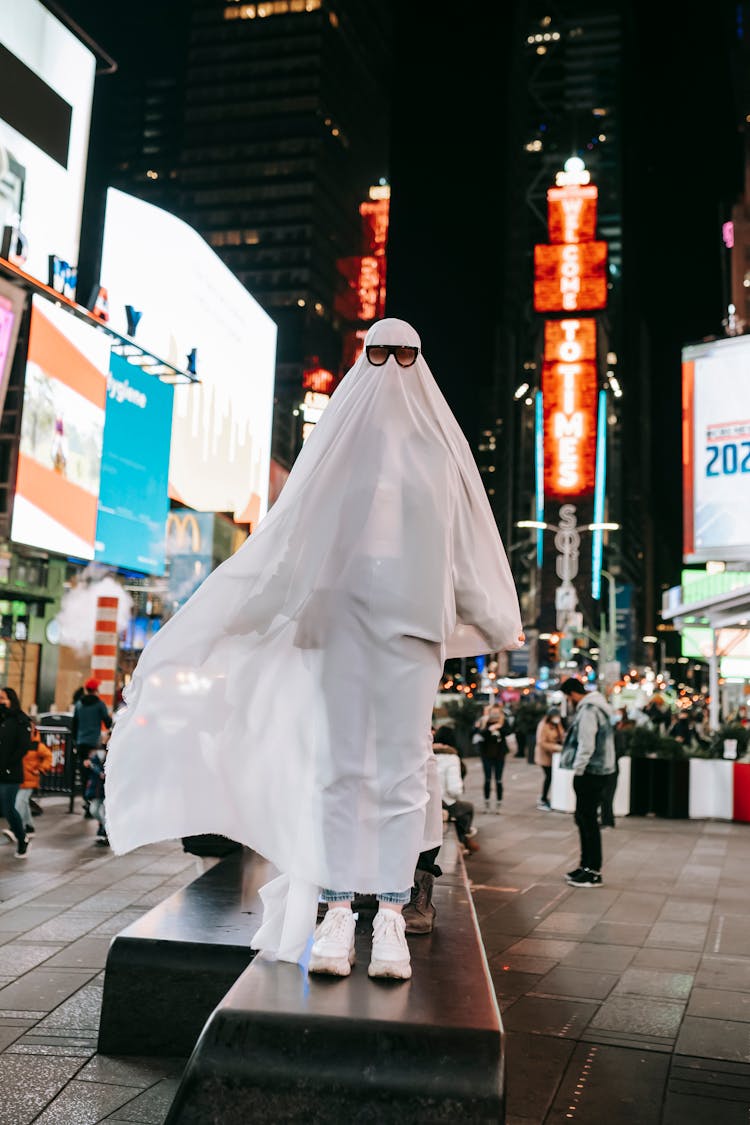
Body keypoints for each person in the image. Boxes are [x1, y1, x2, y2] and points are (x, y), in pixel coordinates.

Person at [104, 317, 523, 984]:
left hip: (413, 625)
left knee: (402, 764)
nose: (392, 367)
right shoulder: (335, 449)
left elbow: (469, 541)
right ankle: (334, 908)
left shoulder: (441, 452)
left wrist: (497, 617)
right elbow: (290, 540)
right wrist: (238, 617)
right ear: (363, 357)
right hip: (339, 622)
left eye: (406, 354)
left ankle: (389, 911)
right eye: (379, 352)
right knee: (339, 765)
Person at [558, 677, 615, 887]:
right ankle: (585, 866)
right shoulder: (600, 706)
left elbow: (586, 744)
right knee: (585, 820)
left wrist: (579, 770)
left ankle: (592, 871)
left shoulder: (589, 710)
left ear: (572, 694)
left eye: (567, 697)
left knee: (587, 821)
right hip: (601, 771)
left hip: (591, 772)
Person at [432, 728, 479, 856]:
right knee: (467, 808)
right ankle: (463, 841)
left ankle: (465, 839)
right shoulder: (451, 757)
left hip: (427, 799)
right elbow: (454, 790)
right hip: (443, 803)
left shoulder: (428, 753)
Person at [0, 687, 33, 859]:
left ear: (12, 699)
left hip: (10, 773)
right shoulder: (2, 718)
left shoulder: (20, 720)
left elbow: (23, 747)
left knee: (8, 808)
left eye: (3, 698)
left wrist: (7, 765)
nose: (1, 701)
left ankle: (22, 838)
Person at [72, 679, 112, 816]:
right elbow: (107, 722)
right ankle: (93, 803)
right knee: (94, 774)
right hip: (94, 745)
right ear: (95, 690)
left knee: (84, 774)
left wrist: (75, 742)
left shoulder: (78, 704)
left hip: (81, 743)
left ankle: (86, 802)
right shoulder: (100, 704)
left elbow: (74, 725)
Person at [13, 722, 52, 837]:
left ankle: (15, 828)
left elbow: (48, 756)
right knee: (23, 803)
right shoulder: (17, 743)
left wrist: (41, 769)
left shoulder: (37, 745)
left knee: (19, 803)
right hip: (18, 778)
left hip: (30, 779)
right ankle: (29, 826)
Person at [474, 703, 510, 813]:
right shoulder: (484, 722)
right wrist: (489, 729)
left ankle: (499, 804)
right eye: (493, 713)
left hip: (500, 754)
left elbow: (509, 732)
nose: (495, 715)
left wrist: (500, 727)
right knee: (487, 779)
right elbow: (479, 734)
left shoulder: (504, 723)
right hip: (486, 754)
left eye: (497, 713)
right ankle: (487, 803)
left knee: (499, 780)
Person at [82, 730, 109, 846]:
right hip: (97, 789)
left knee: (102, 811)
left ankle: (105, 832)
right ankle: (106, 830)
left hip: (107, 790)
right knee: (95, 810)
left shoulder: (112, 754)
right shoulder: (96, 754)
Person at [534, 707, 564, 810]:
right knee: (549, 776)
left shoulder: (556, 725)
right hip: (545, 755)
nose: (557, 718)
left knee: (551, 777)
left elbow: (562, 736)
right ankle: (543, 798)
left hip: (554, 756)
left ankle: (546, 797)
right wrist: (555, 747)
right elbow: (541, 742)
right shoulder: (543, 725)